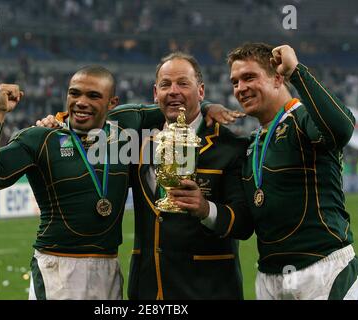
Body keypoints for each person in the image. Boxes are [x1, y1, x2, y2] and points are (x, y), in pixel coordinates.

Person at [37, 52, 253, 299]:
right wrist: (57, 123)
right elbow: (95, 119)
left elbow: (244, 224)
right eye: (165, 84)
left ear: (201, 91)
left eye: (183, 83)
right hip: (148, 291)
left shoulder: (230, 146)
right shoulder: (136, 140)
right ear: (155, 93)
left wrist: (206, 210)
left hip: (208, 291)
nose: (173, 91)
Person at [0, 65, 166, 300]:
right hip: (57, 269)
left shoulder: (126, 127)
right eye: (74, 93)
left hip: (109, 267)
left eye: (93, 96)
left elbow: (177, 107)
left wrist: (209, 108)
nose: (81, 102)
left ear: (112, 103)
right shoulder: (40, 138)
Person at [227, 43, 358, 300]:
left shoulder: (303, 118)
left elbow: (342, 128)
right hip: (268, 277)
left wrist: (297, 72)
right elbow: (244, 224)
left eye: (249, 77)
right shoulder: (251, 144)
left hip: (323, 271)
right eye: (235, 82)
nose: (240, 88)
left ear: (278, 78)